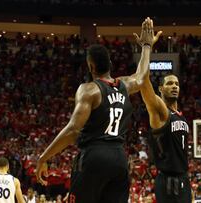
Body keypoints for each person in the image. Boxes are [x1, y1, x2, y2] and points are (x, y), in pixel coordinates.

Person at [35, 17, 162, 203]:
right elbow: (142, 77)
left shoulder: (88, 90)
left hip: (94, 156)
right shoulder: (124, 85)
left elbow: (73, 130)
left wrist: (43, 157)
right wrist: (146, 46)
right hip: (119, 158)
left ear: (91, 66)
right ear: (110, 65)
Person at [139, 69, 191, 200]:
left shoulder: (182, 117)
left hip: (183, 178)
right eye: (169, 83)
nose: (174, 86)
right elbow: (145, 86)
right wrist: (146, 49)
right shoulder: (161, 114)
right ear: (161, 89)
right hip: (167, 179)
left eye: (177, 84)